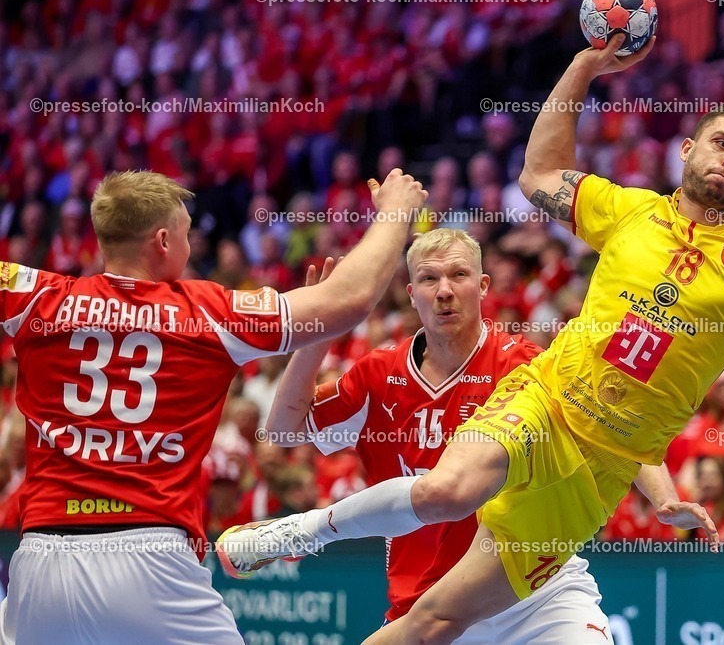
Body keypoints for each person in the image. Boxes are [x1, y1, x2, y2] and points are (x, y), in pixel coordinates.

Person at [219, 35, 724, 645]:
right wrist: (583, 66)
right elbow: (538, 171)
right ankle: (301, 531)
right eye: (722, 142)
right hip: (546, 399)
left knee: (429, 626)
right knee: (449, 490)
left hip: (599, 471)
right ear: (688, 149)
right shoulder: (628, 210)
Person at [0, 168, 426, 644]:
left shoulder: (36, 294)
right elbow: (350, 298)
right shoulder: (206, 312)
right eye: (187, 234)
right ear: (163, 240)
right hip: (148, 555)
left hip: (39, 560)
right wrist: (395, 211)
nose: (192, 246)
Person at [230, 228, 706, 643]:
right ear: (411, 292)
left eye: (458, 276)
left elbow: (609, 430)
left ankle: (304, 532)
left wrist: (664, 499)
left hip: (533, 589)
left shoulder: (521, 363)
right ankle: (297, 533)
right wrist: (319, 332)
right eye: (429, 279)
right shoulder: (379, 373)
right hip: (426, 602)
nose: (444, 291)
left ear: (482, 287)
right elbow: (284, 431)